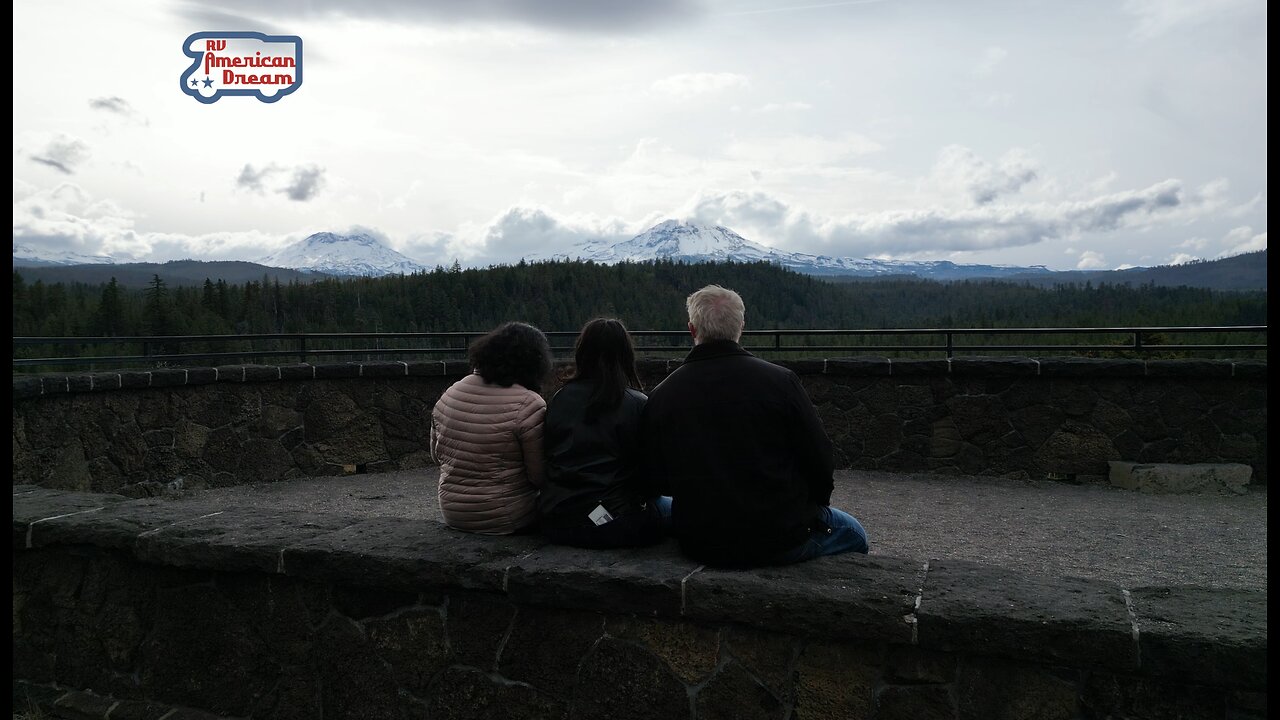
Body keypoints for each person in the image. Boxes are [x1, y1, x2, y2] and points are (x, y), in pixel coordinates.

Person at [641, 285, 869, 567]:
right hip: (779, 536)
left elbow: (654, 476)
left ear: (692, 329)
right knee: (856, 533)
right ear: (741, 327)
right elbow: (819, 457)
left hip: (700, 540)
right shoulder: (780, 382)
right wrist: (812, 505)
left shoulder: (664, 394)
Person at [539, 318, 671, 548]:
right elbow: (652, 476)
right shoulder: (636, 403)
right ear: (625, 355)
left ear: (582, 353)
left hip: (558, 519)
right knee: (676, 507)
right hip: (615, 523)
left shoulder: (560, 398)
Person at [431, 321, 553, 534]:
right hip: (508, 517)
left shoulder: (450, 393)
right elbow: (538, 476)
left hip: (452, 512)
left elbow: (436, 456)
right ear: (535, 362)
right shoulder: (528, 404)